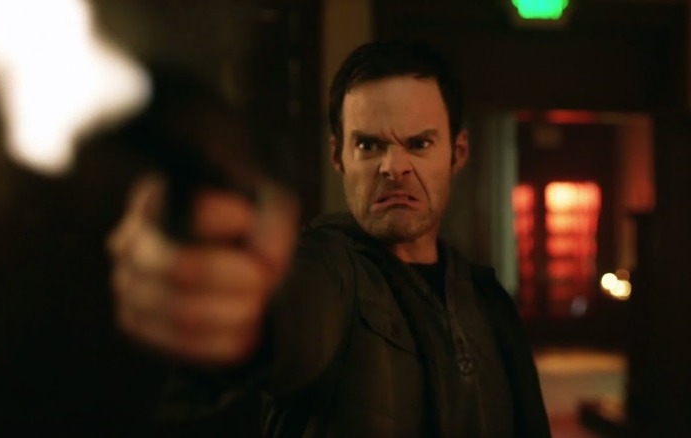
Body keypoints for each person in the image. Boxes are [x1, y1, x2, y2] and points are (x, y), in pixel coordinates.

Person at [108, 40, 550, 437]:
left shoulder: (489, 302)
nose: (394, 167)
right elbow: (293, 316)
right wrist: (242, 309)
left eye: (418, 144)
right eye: (369, 145)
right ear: (338, 155)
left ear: (457, 152)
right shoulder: (327, 266)